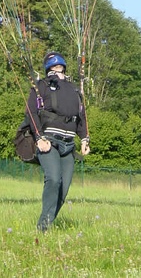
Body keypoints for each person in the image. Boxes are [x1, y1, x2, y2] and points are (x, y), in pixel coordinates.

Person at [25, 51, 90, 232]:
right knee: (53, 179)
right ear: (48, 68)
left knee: (64, 189)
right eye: (54, 66)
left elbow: (81, 116)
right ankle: (43, 228)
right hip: (49, 141)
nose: (57, 68)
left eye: (59, 66)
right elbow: (31, 112)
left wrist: (84, 138)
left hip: (68, 145)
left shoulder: (74, 89)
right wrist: (39, 137)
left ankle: (47, 223)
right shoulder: (42, 86)